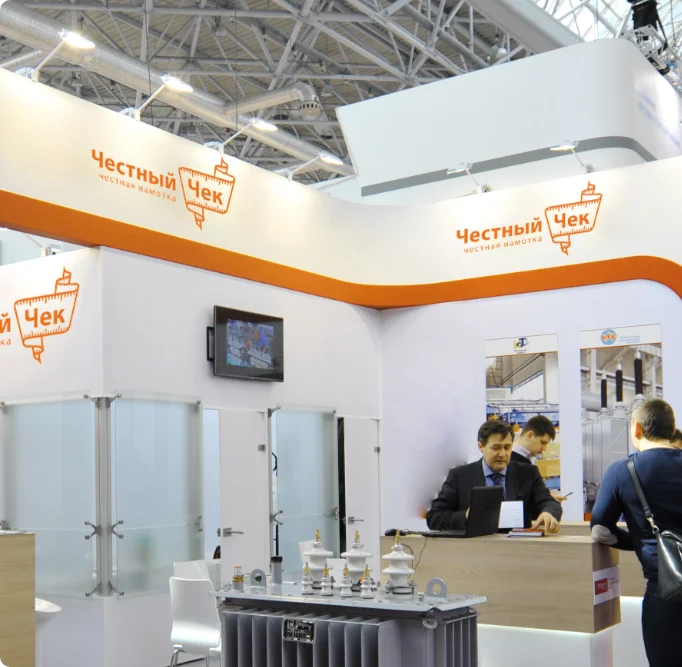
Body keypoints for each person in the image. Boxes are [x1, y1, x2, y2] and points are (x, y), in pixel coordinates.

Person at [591, 398, 682, 667]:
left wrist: (640, 541)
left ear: (637, 428)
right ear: (672, 429)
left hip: (665, 591)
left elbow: (600, 530)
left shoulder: (622, 471)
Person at [426, 420, 562, 534]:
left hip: (519, 549)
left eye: (507, 447)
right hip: (475, 550)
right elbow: (434, 518)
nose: (502, 454)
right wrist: (466, 515)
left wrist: (548, 513)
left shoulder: (528, 473)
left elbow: (549, 502)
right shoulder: (460, 476)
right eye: (496, 448)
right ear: (481, 446)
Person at [511, 415, 568, 503]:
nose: (544, 448)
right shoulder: (509, 460)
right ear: (530, 435)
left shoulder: (528, 458)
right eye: (543, 442)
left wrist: (546, 496)